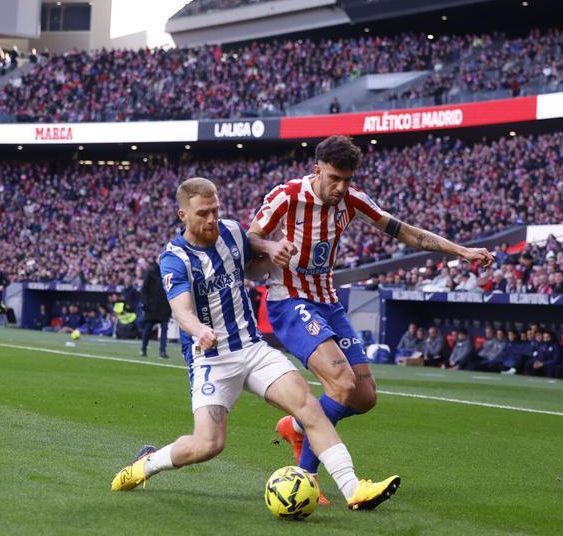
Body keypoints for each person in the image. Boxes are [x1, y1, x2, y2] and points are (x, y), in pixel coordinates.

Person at [110, 177, 400, 511]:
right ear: (182, 216)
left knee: (309, 406)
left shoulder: (232, 231)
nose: (211, 220)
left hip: (253, 349)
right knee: (208, 444)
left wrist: (273, 250)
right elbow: (181, 311)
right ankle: (145, 465)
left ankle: (354, 490)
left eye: (215, 210)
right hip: (211, 360)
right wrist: (198, 329)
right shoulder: (174, 258)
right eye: (203, 213)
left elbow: (256, 262)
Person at [250, 135, 493, 483]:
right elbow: (249, 237)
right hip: (289, 299)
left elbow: (406, 232)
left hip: (328, 301)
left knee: (363, 397)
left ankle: (300, 424)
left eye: (347, 180)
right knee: (340, 383)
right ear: (317, 169)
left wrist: (462, 251)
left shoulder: (352, 201)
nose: (340, 187)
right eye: (334, 178)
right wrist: (270, 245)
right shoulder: (286, 196)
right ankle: (305, 477)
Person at [140, 258, 172, 358]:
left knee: (164, 329)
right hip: (152, 307)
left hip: (164, 307)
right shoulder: (151, 272)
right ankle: (143, 348)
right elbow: (144, 289)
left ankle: (162, 351)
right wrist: (145, 303)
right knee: (148, 329)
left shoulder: (168, 274)